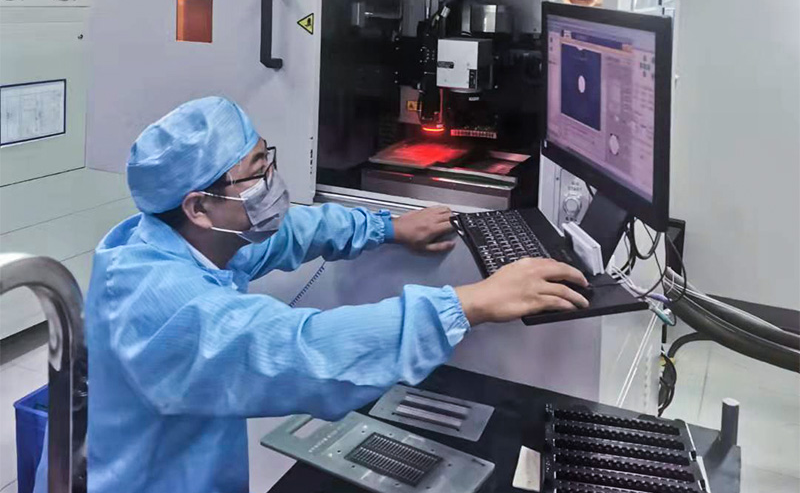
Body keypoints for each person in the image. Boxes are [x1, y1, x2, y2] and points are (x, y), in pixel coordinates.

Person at [33, 96, 588, 493]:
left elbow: (289, 232)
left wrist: (385, 227)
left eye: (267, 158)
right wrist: (468, 304)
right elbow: (301, 348)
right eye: (256, 172)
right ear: (199, 206)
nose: (272, 181)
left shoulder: (175, 239)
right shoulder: (164, 306)